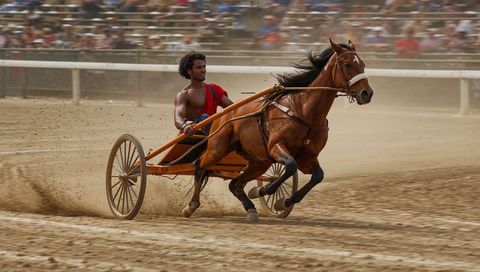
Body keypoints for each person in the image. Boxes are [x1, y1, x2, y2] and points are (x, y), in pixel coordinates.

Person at [174, 51, 233, 135]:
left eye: (204, 67)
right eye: (199, 67)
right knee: (204, 117)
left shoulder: (214, 89)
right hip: (194, 136)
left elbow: (233, 108)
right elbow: (178, 118)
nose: (203, 70)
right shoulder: (183, 95)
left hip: (214, 133)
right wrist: (184, 126)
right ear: (189, 71)